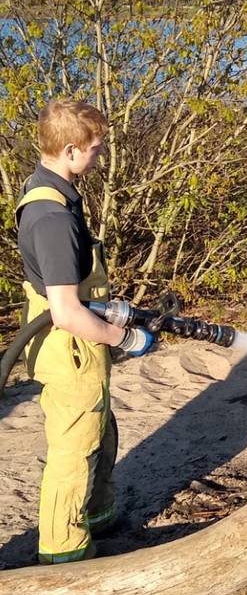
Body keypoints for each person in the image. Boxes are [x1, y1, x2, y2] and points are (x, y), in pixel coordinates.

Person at [16, 98, 155, 564]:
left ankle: (98, 514)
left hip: (78, 347)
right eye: (96, 148)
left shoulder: (52, 190)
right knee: (74, 449)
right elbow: (65, 313)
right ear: (71, 150)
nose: (100, 156)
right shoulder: (51, 217)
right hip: (69, 347)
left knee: (99, 429)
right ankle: (64, 553)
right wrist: (125, 339)